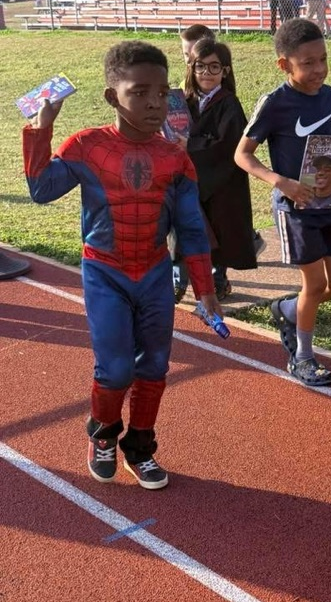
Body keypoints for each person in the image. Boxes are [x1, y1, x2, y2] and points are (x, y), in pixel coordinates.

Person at [22, 41, 221, 490]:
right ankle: (103, 434)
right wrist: (41, 132)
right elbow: (41, 190)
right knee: (114, 369)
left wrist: (206, 290)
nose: (153, 102)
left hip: (153, 275)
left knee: (154, 366)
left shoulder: (175, 158)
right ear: (113, 97)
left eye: (161, 92)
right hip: (104, 272)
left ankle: (141, 446)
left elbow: (190, 229)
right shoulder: (87, 146)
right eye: (139, 92)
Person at [234, 19, 331, 387]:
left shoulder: (330, 96)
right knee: (316, 286)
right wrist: (281, 182)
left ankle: (288, 309)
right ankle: (302, 358)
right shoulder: (275, 103)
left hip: (330, 207)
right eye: (308, 63)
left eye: (323, 59)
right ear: (284, 64)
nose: (318, 69)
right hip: (297, 212)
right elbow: (242, 155)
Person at [172, 25, 264, 302]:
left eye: (214, 68)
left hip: (219, 182)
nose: (206, 73)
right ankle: (177, 281)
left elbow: (227, 145)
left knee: (218, 234)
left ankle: (218, 279)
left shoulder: (229, 104)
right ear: (191, 68)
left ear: (225, 71)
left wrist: (191, 145)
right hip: (188, 179)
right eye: (201, 67)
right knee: (181, 231)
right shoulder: (182, 101)